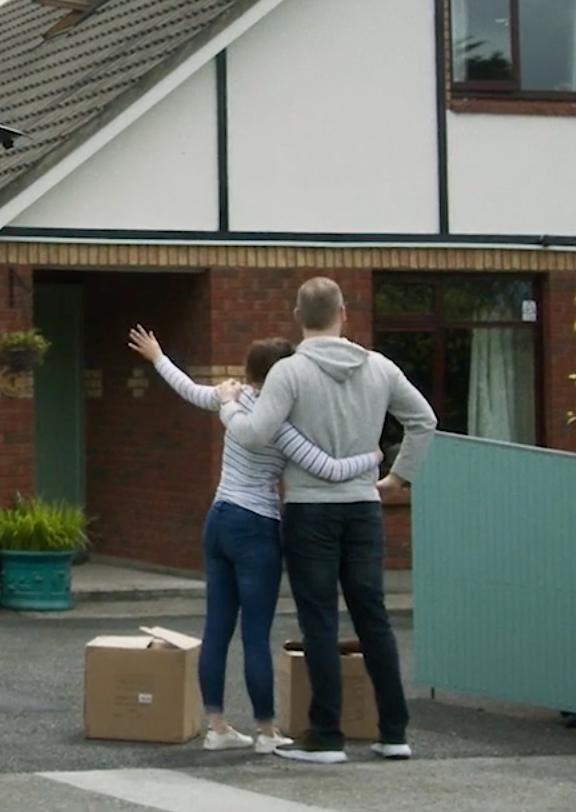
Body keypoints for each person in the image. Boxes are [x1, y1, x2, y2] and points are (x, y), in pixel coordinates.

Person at [127, 325, 383, 753]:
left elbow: (188, 389)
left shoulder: (233, 396)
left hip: (219, 519)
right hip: (256, 526)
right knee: (255, 634)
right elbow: (329, 469)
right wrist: (372, 457)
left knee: (216, 628)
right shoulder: (282, 424)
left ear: (251, 372)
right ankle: (266, 731)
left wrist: (157, 356)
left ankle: (217, 727)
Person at [217, 276, 436, 765]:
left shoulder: (289, 373)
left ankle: (327, 735)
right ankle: (394, 732)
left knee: (319, 620)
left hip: (309, 510)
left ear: (299, 317)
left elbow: (255, 434)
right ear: (343, 314)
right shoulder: (379, 367)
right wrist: (398, 477)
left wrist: (229, 408)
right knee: (373, 616)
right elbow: (424, 420)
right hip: (363, 506)